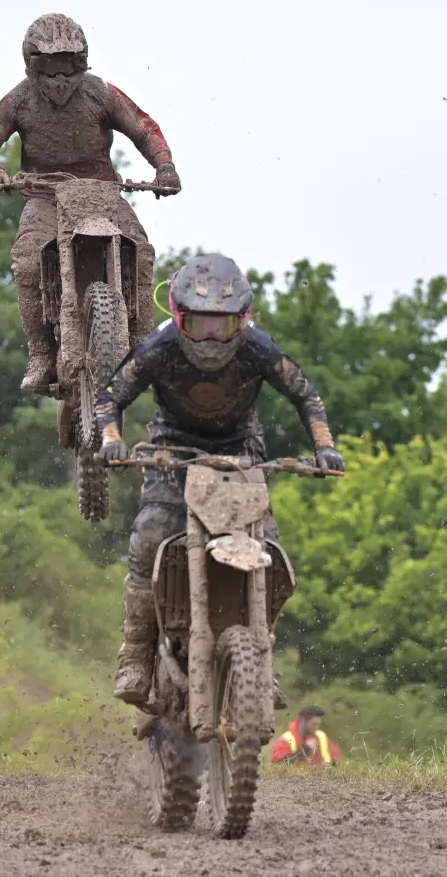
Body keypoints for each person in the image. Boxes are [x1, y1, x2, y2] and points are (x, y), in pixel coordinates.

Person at [96, 253, 344, 706]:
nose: (211, 339)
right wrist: (112, 439)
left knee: (268, 548)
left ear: (242, 320)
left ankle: (260, 660)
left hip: (240, 451)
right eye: (200, 324)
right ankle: (134, 652)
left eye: (223, 326)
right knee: (150, 532)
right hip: (171, 446)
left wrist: (324, 447)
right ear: (177, 316)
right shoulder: (158, 347)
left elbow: (306, 395)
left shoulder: (259, 349)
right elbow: (111, 398)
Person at [0, 12, 181, 394]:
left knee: (142, 252)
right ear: (33, 64)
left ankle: (142, 345)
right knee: (28, 262)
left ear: (82, 61)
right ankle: (41, 354)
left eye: (68, 64)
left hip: (102, 193)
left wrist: (164, 166)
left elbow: (144, 128)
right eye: (50, 65)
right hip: (45, 197)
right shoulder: (19, 100)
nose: (60, 77)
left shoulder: (101, 93)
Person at [270, 705, 340, 766]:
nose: (317, 727)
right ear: (303, 721)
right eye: (314, 724)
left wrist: (332, 765)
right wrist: (304, 749)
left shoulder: (321, 736)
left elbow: (335, 758)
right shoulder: (286, 739)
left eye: (318, 724)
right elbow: (277, 764)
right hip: (294, 780)